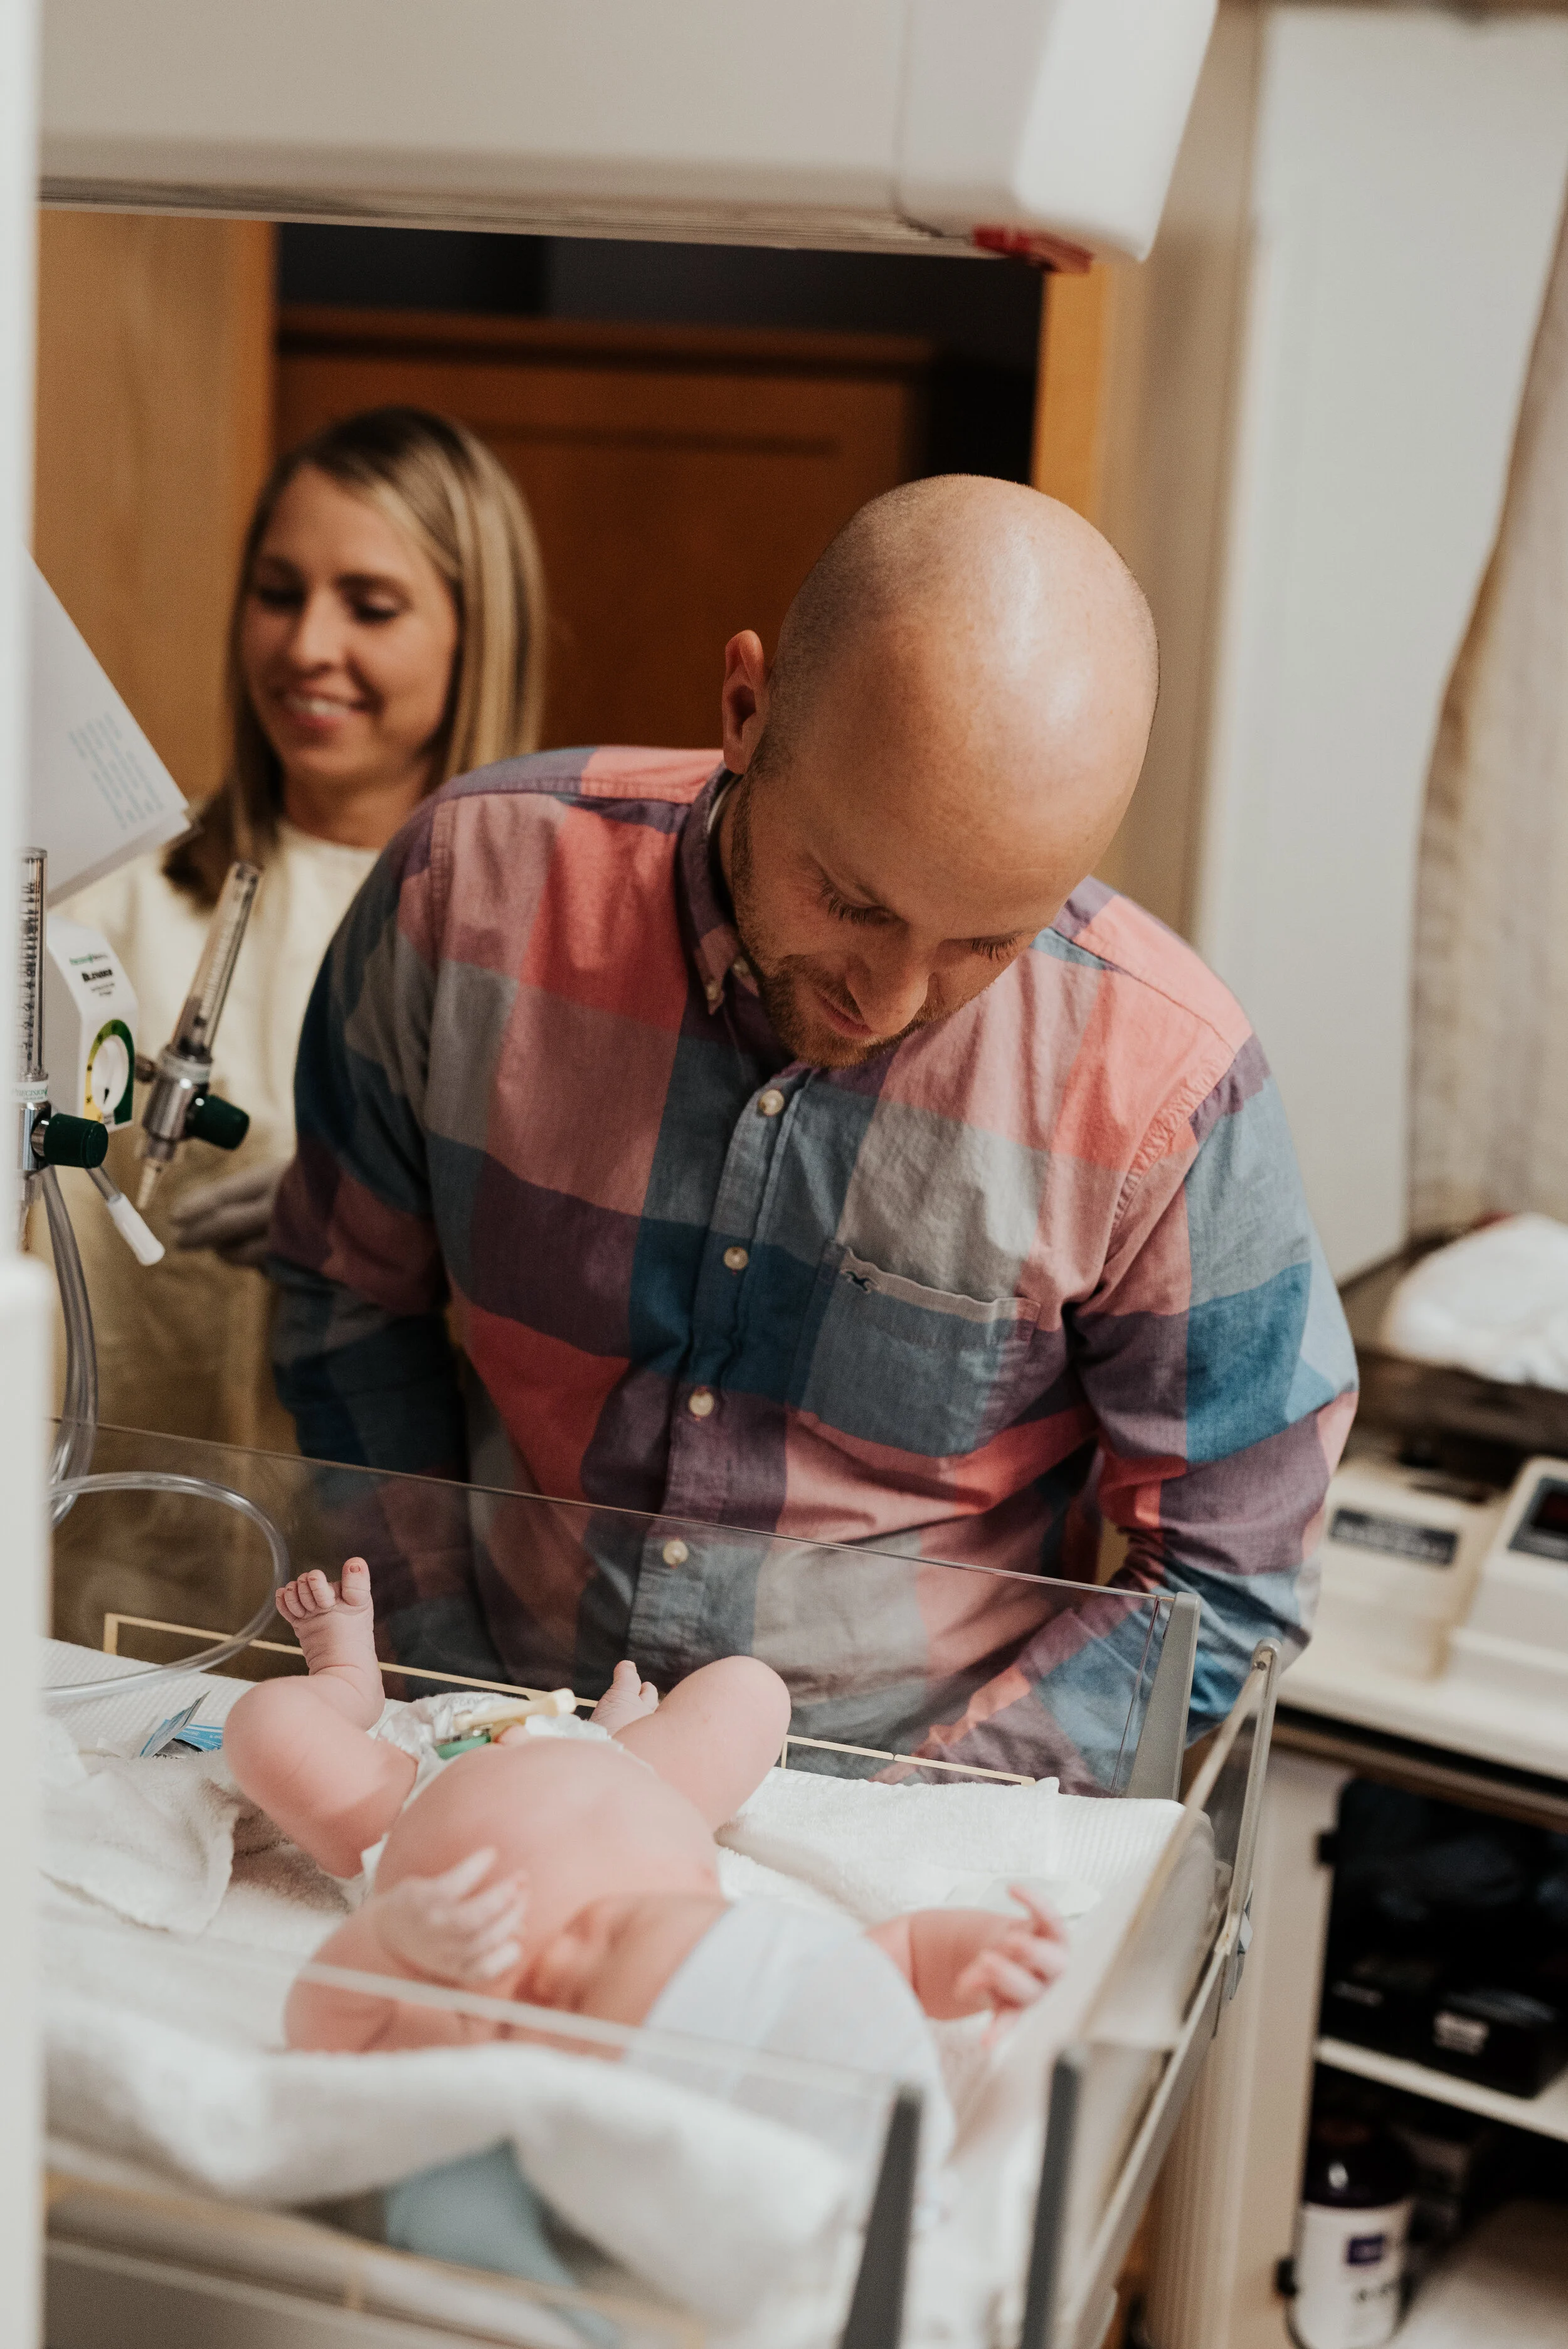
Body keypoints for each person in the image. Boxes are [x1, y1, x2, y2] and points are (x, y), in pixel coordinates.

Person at [268, 475, 1358, 1784]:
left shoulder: (1163, 1085)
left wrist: (913, 1830)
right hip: (486, 1741)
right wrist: (439, 1706)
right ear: (744, 708)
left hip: (903, 1814)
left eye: (984, 941)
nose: (887, 998)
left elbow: (1226, 1577)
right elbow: (344, 1304)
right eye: (847, 898)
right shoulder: (466, 899)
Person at [55, 407, 546, 1471]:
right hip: (107, 1540)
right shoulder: (106, 908)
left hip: (372, 1583)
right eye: (278, 595)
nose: (308, 646)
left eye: (370, 606)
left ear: (477, 633)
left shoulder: (531, 953)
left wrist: (375, 1216)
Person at [222, 1561, 1067, 2083]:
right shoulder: (756, 2013)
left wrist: (394, 1941)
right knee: (752, 1691)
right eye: (627, 1933)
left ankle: (344, 1682)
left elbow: (326, 2031)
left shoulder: (490, 2026)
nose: (576, 1940)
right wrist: (981, 1954)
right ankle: (613, 1730)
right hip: (634, 1777)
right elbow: (902, 1961)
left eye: (570, 1988)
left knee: (264, 1729)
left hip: (415, 1788)